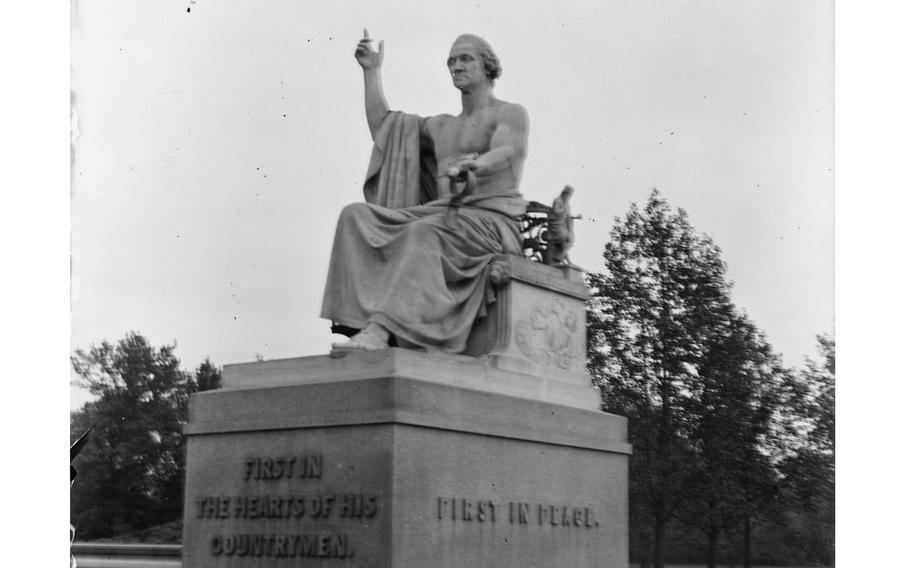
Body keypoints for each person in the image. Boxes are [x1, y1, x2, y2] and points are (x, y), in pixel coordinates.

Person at [321, 31, 529, 353]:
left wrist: (475, 165)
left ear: (488, 66)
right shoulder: (442, 126)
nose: (455, 67)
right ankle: (356, 324)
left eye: (465, 59)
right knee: (355, 216)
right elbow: (385, 130)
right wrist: (371, 73)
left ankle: (382, 330)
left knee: (425, 232)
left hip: (491, 222)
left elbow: (506, 150)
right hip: (445, 215)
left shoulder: (509, 113)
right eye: (451, 61)